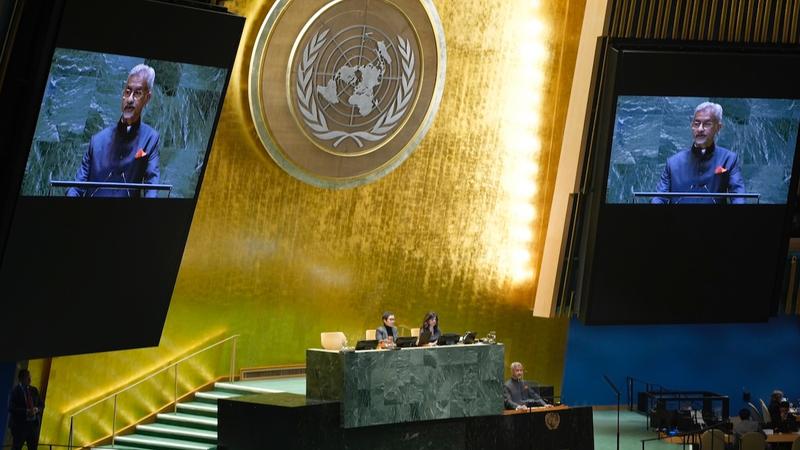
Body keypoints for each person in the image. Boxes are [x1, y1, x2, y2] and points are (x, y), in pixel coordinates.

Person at [67, 64, 160, 198]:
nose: (130, 99)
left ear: (147, 98)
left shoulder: (150, 138)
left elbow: (152, 188)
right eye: (127, 92)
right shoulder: (97, 140)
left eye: (137, 93)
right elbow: (76, 187)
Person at [652, 102, 745, 204]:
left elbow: (738, 197)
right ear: (692, 126)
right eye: (696, 124)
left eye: (707, 124)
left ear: (718, 127)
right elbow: (659, 198)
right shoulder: (673, 163)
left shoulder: (729, 159)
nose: (700, 129)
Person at [8, 369, 44, 450]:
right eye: (27, 378)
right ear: (21, 379)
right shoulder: (15, 391)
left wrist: (36, 409)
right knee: (16, 448)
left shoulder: (34, 390)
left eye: (30, 377)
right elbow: (11, 408)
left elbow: (42, 404)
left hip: (33, 427)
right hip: (20, 427)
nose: (30, 379)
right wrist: (26, 411)